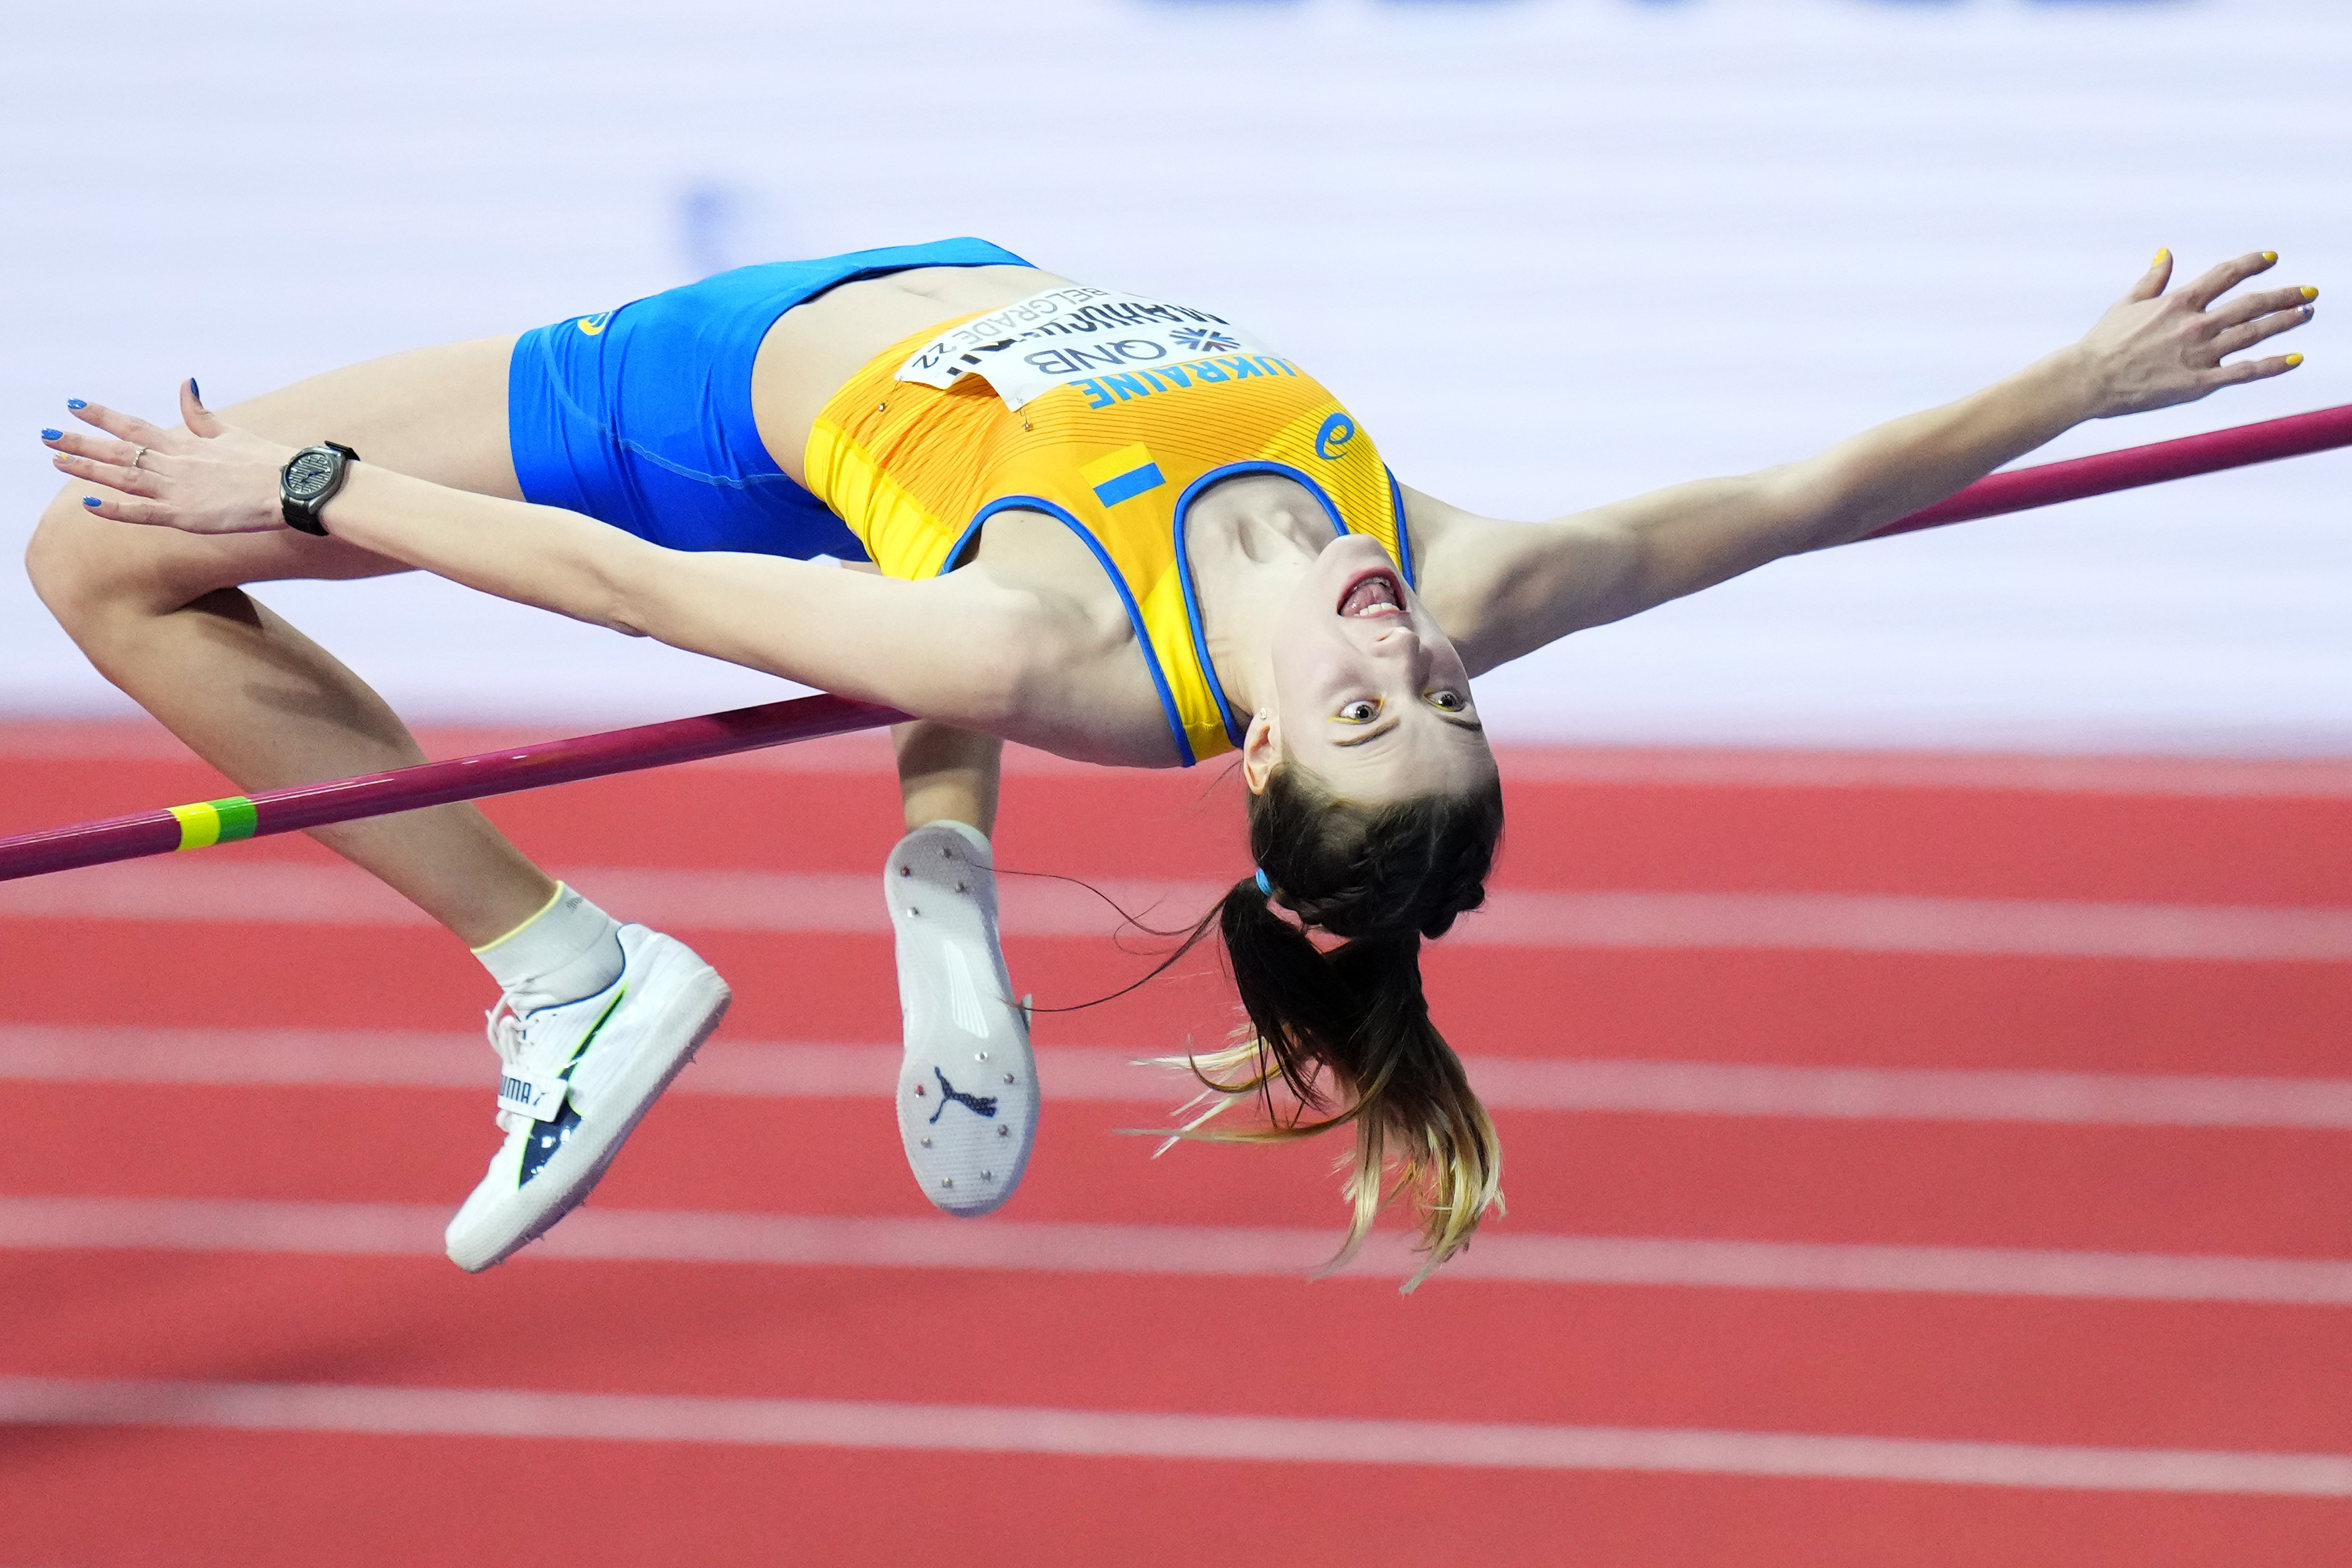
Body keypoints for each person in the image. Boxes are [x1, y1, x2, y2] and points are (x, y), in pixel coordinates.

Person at [31, 239, 2314, 1285]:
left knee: (99, 565)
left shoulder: (1034, 635)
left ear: (1251, 768)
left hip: (706, 410)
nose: (1396, 642)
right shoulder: (1463, 571)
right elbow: (1809, 492)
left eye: (1355, 706)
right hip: (944, 343)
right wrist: (2075, 379)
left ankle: (560, 968)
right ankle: (937, 877)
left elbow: (614, 587)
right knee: (945, 632)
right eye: (1437, 692)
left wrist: (310, 482)